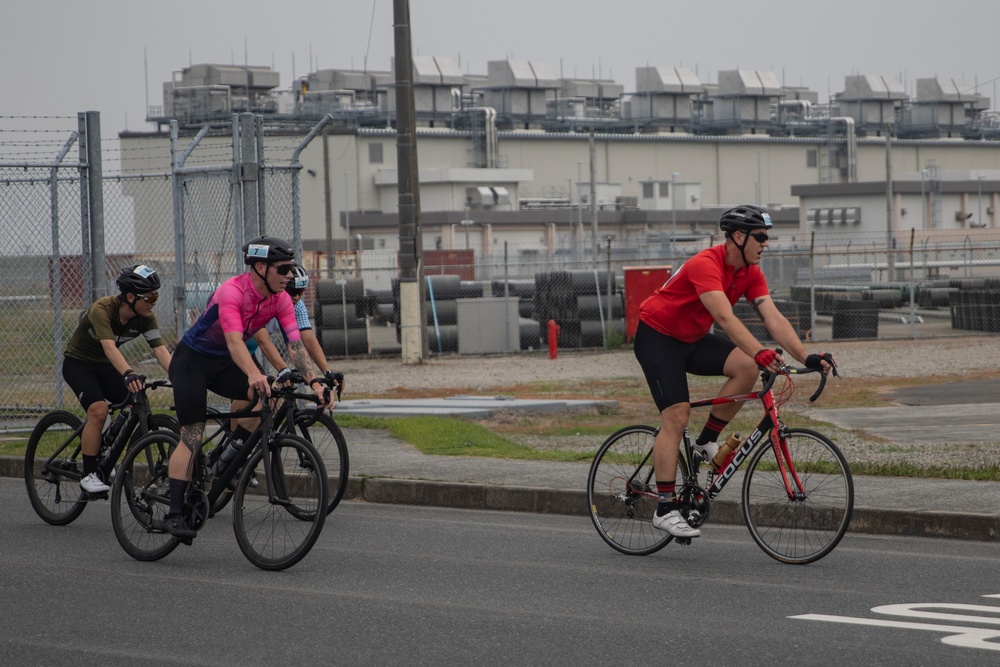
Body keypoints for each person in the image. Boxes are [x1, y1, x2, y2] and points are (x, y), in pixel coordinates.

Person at [633, 204, 836, 539]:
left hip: (693, 338)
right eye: (760, 237)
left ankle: (706, 442)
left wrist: (806, 356)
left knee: (745, 367)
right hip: (658, 337)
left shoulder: (750, 271)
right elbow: (726, 319)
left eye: (767, 237)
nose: (765, 243)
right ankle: (665, 509)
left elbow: (773, 317)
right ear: (738, 237)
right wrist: (760, 351)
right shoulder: (706, 264)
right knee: (676, 416)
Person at [163, 236, 328, 541]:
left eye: (291, 268)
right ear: (260, 267)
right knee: (192, 434)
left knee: (270, 397)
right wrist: (254, 374)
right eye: (284, 269)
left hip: (224, 362)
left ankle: (229, 457)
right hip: (192, 361)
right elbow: (234, 341)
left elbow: (295, 345)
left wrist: (315, 382)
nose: (289, 276)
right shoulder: (233, 291)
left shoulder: (279, 299)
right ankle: (173, 513)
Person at [62, 265, 172, 494]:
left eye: (156, 296)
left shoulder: (145, 318)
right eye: (150, 297)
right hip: (79, 364)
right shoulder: (102, 309)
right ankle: (89, 473)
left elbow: (160, 350)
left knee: (135, 401)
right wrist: (129, 372)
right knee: (99, 410)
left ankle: (106, 448)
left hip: (106, 367)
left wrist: (179, 375)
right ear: (130, 297)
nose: (154, 302)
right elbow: (110, 348)